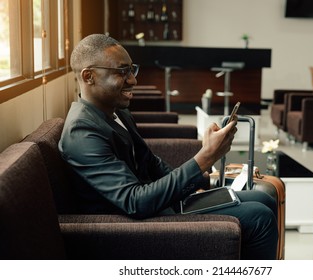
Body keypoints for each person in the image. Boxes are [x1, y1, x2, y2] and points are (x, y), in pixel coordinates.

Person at [59, 34, 278, 259]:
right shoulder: (82, 132)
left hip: (158, 205)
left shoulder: (118, 113)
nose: (132, 80)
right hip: (135, 226)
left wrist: (208, 179)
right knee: (259, 216)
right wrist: (206, 156)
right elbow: (135, 202)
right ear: (89, 76)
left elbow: (151, 164)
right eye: (121, 72)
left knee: (263, 198)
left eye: (132, 70)